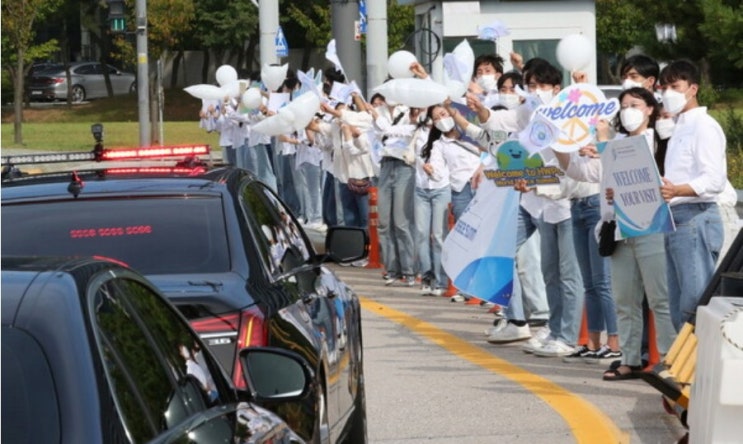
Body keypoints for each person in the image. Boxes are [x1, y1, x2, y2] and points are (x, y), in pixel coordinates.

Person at [555, 87, 678, 379]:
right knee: (625, 298)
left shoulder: (663, 141)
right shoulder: (614, 146)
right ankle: (630, 358)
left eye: (635, 104)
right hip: (619, 229)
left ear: (650, 108)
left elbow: (666, 181)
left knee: (660, 299)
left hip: (651, 227)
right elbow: (583, 172)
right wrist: (557, 144)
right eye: (624, 106)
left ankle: (670, 361)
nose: (629, 111)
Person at [658, 60, 726, 331]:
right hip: (675, 217)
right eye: (664, 88)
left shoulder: (704, 126)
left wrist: (677, 190)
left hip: (696, 216)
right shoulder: (679, 128)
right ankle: (683, 364)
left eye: (676, 86)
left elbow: (714, 179)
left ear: (693, 89)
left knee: (693, 300)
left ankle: (697, 364)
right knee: (677, 300)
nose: (668, 93)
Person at [413, 109, 449, 295]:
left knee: (438, 235)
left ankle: (442, 280)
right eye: (435, 117)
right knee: (421, 233)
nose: (439, 120)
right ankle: (427, 277)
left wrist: (432, 171)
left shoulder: (453, 139)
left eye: (443, 114)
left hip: (441, 189)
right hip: (421, 189)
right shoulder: (420, 134)